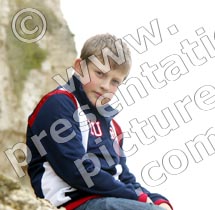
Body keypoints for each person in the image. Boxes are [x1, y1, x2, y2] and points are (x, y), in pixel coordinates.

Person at [26, 33, 173, 210]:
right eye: (100, 73)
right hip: (72, 203)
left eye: (115, 82)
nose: (105, 86)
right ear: (79, 66)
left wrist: (156, 199)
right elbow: (77, 171)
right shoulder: (59, 104)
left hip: (107, 201)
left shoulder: (113, 127)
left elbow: (123, 177)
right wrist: (138, 198)